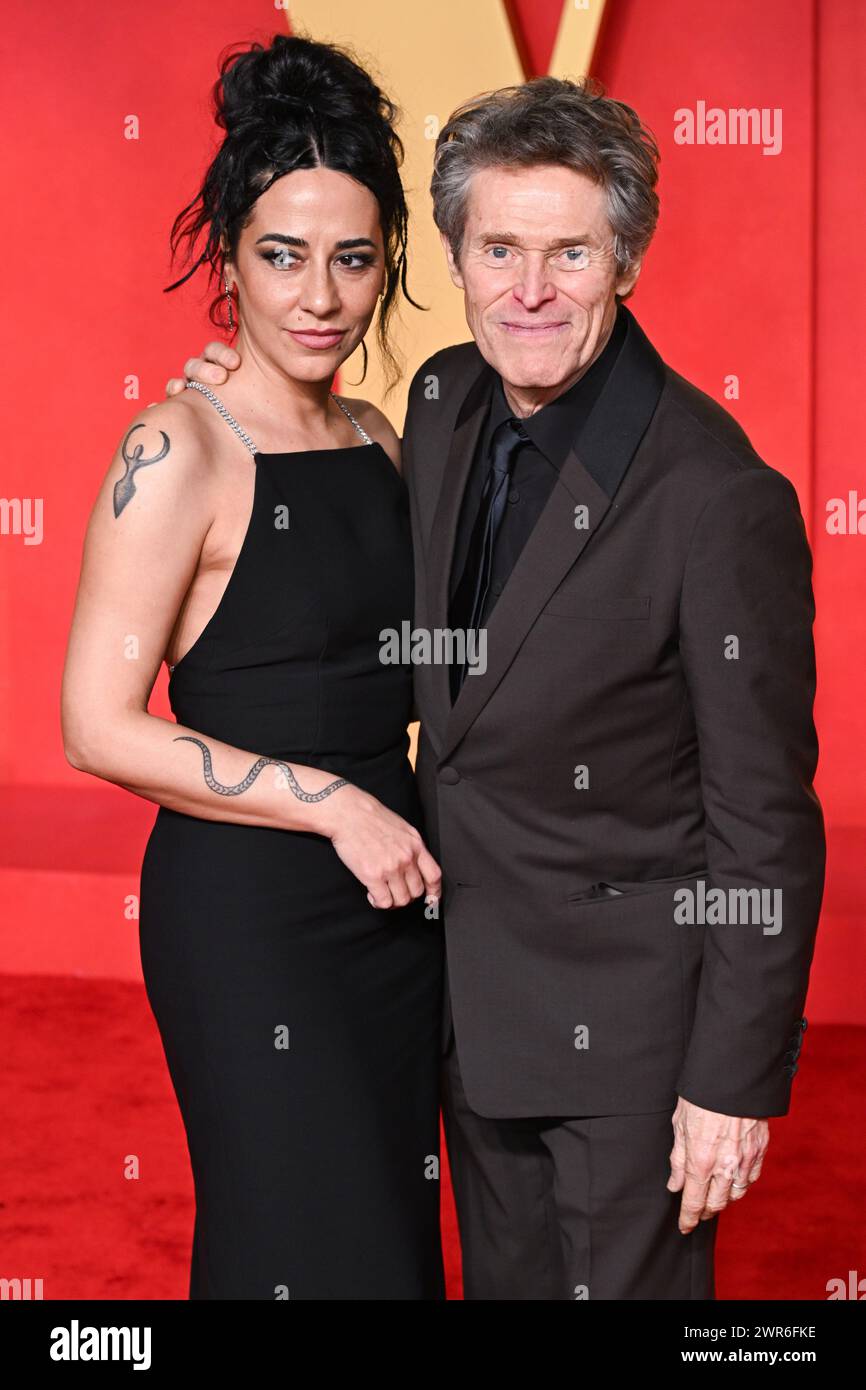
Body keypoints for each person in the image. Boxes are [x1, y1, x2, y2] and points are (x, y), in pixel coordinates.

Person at [172, 76, 825, 1300]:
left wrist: (729, 1085)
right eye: (499, 249)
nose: (529, 290)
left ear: (624, 258)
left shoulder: (713, 495)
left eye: (568, 251)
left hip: (629, 1052)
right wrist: (246, 394)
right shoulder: (440, 402)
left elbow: (764, 823)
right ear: (458, 259)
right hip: (462, 1013)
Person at [62, 33, 445, 1301]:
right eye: (282, 257)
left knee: (382, 1246)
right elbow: (96, 726)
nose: (317, 297)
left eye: (351, 258)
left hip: (393, 913)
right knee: (294, 1238)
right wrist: (329, 802)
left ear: (388, 260)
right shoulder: (177, 446)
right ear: (229, 255)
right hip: (249, 915)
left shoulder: (383, 439)